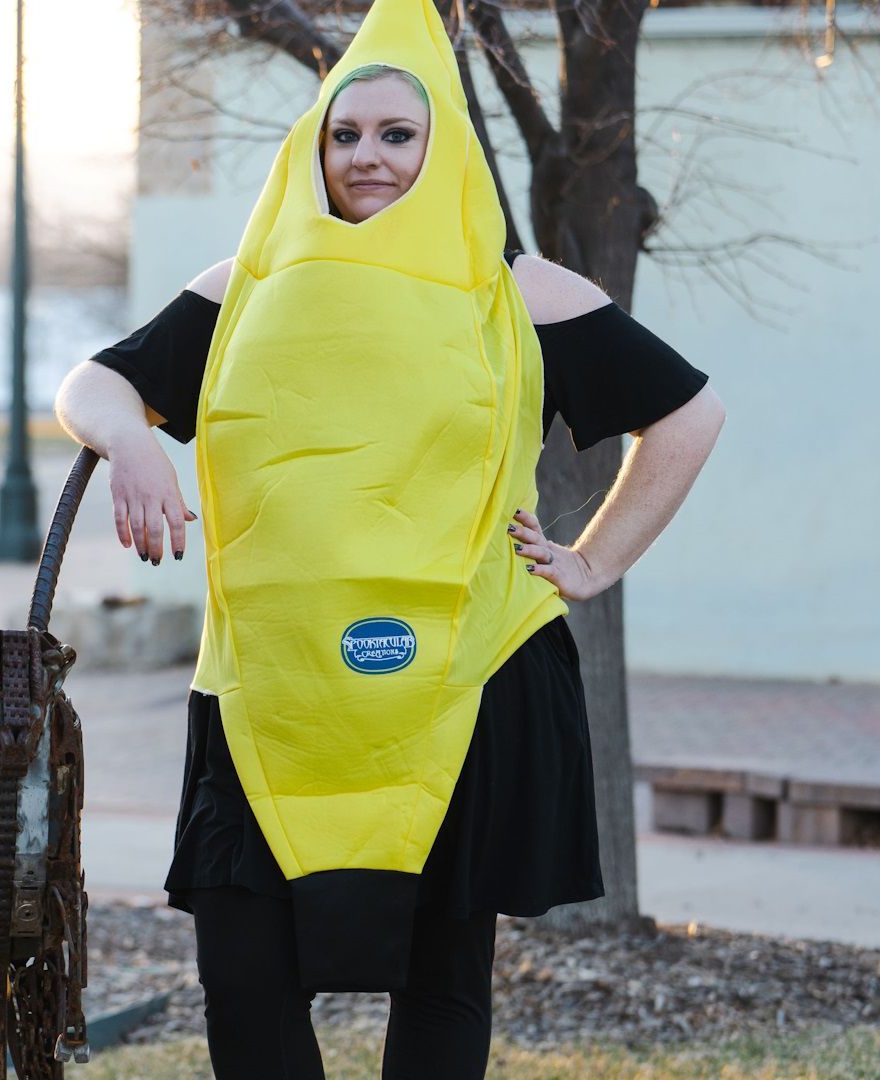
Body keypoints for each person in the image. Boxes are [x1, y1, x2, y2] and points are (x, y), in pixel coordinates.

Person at [54, 0, 725, 1075]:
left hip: (461, 683)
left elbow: (688, 414)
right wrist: (134, 444)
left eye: (396, 135)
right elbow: (93, 384)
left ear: (443, 146)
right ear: (312, 148)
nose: (368, 155)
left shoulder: (516, 291)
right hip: (267, 689)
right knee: (244, 975)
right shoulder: (248, 289)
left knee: (441, 978)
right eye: (345, 133)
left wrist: (594, 558)